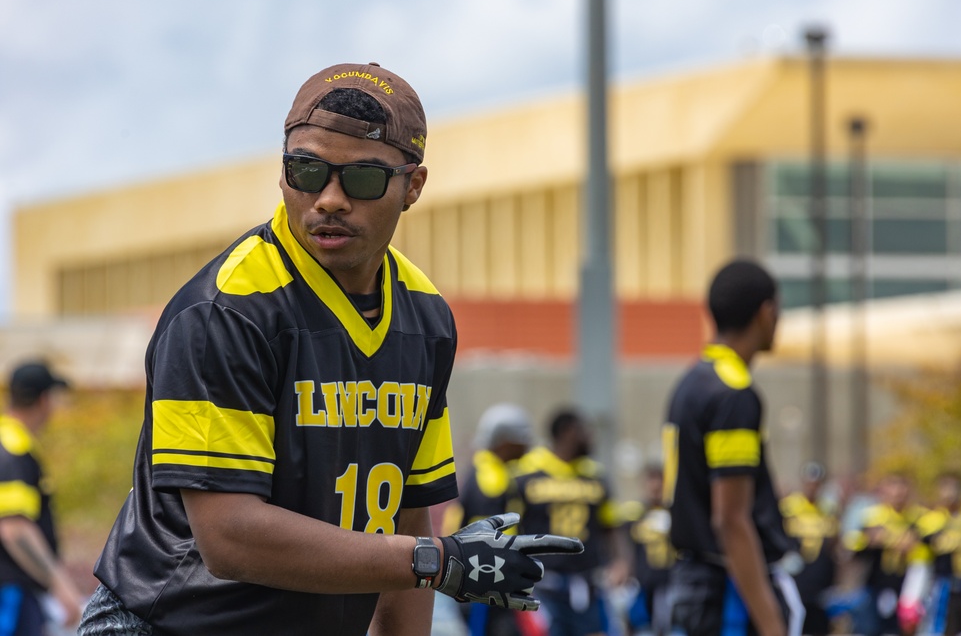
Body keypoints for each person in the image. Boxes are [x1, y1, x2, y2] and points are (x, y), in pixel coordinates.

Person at [77, 62, 582, 636]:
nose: (330, 199)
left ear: (413, 186)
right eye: (307, 171)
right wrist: (435, 561)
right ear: (283, 172)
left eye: (363, 177)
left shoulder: (425, 316)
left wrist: (425, 561)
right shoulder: (227, 310)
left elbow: (409, 518)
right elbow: (229, 537)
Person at [663, 258, 804, 636]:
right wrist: (771, 624)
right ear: (766, 312)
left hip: (693, 582)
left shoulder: (692, 381)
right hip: (726, 593)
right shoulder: (733, 393)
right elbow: (730, 519)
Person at [511, 407, 630, 636]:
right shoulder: (527, 472)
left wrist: (620, 562)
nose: (590, 437)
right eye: (584, 430)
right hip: (544, 584)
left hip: (588, 582)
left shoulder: (594, 474)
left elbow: (610, 525)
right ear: (567, 432)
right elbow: (512, 526)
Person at [0, 360, 85, 635]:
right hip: (10, 590)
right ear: (44, 400)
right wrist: (60, 586)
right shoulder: (13, 448)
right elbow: (14, 527)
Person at [442, 403, 537, 636]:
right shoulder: (491, 477)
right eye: (521, 440)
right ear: (505, 443)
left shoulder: (489, 470)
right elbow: (491, 535)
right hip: (487, 578)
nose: (526, 447)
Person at [898, 473, 961, 636]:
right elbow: (920, 566)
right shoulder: (928, 523)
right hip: (944, 590)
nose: (951, 493)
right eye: (945, 487)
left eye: (955, 487)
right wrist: (910, 598)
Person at [843, 472, 923, 636]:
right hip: (875, 585)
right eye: (893, 486)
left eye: (902, 487)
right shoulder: (872, 516)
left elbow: (922, 548)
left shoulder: (915, 518)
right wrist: (870, 539)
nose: (898, 492)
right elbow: (852, 545)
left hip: (906, 588)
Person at [780, 462, 840, 636]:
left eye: (816, 483)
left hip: (820, 577)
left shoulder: (828, 509)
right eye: (809, 483)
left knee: (818, 623)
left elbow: (834, 542)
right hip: (796, 576)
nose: (812, 487)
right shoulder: (788, 507)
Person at [624, 463, 675, 636]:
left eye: (659, 480)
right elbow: (627, 548)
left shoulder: (674, 514)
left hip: (669, 583)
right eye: (651, 480)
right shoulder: (635, 515)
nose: (655, 486)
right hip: (643, 585)